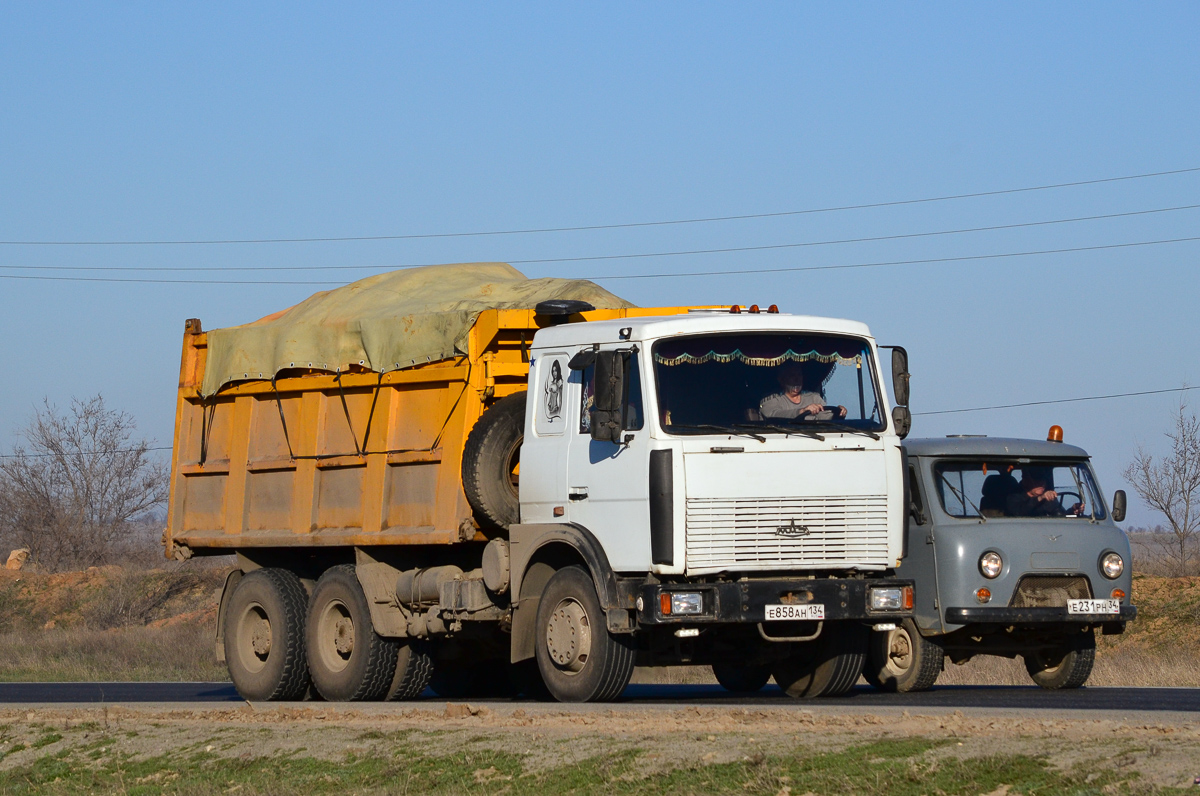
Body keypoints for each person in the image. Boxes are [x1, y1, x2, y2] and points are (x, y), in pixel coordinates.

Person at [759, 361, 847, 421]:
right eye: (792, 376)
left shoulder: (814, 398)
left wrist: (838, 412)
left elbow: (825, 417)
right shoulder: (771, 399)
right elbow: (773, 415)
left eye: (799, 375)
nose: (797, 379)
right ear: (781, 379)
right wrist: (802, 411)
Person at [1005, 471, 1084, 517]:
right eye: (1037, 480)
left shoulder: (1048, 500)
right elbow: (1018, 513)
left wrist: (1073, 510)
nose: (1042, 483)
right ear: (1025, 480)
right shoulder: (1014, 496)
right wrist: (1039, 498)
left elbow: (1060, 516)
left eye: (1044, 480)